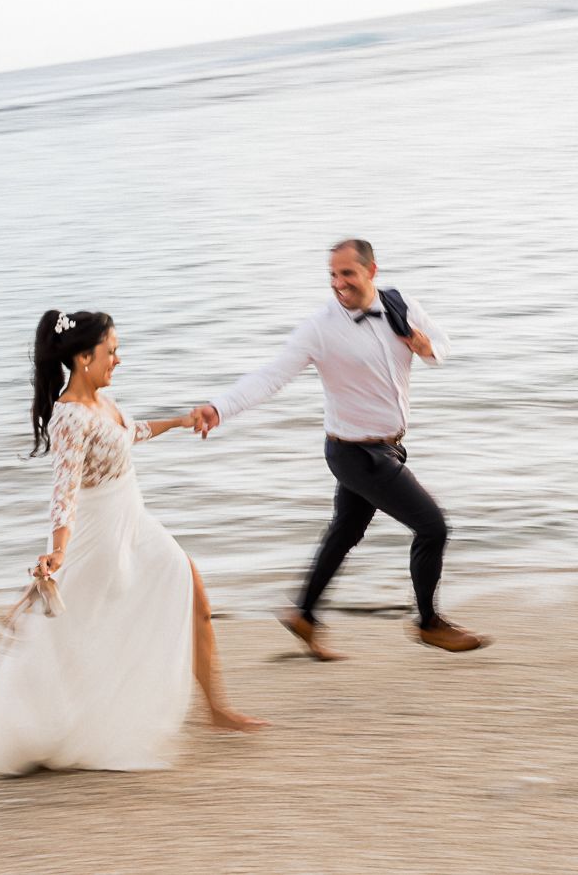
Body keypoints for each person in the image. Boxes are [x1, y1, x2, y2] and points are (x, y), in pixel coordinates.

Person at [0, 310, 265, 776]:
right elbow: (64, 489)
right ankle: (42, 722)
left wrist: (183, 420)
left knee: (194, 596)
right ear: (84, 357)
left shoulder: (102, 402)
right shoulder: (70, 415)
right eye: (111, 351)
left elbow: (131, 431)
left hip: (136, 520)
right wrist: (59, 549)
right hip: (99, 532)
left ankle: (217, 709)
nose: (118, 358)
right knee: (76, 635)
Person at [190, 239, 484, 657]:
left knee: (346, 531)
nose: (338, 283)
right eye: (332, 274)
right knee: (432, 527)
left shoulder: (400, 304)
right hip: (354, 455)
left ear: (371, 271)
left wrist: (428, 348)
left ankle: (304, 615)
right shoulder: (320, 328)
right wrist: (219, 408)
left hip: (388, 447)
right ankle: (428, 623)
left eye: (347, 273)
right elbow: (270, 376)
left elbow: (441, 341)